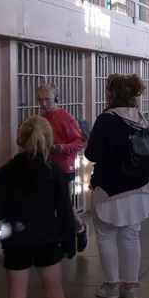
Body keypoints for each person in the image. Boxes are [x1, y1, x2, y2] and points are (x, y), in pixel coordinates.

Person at [0, 116, 85, 298]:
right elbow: (64, 213)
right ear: (49, 141)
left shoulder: (7, 172)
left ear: (20, 139)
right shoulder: (55, 173)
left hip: (16, 242)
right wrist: (69, 245)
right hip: (48, 241)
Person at [85, 74, 149, 298]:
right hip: (137, 187)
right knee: (130, 236)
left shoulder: (106, 119)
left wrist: (89, 139)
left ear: (110, 94)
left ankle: (112, 286)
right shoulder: (139, 118)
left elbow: (92, 154)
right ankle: (130, 288)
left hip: (109, 188)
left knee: (106, 236)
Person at [36, 84, 90, 252]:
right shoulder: (42, 118)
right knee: (52, 204)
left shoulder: (65, 118)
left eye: (47, 100)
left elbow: (80, 142)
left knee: (63, 204)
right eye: (40, 100)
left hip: (63, 168)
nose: (44, 104)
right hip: (47, 166)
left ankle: (79, 229)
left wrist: (61, 148)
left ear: (56, 100)